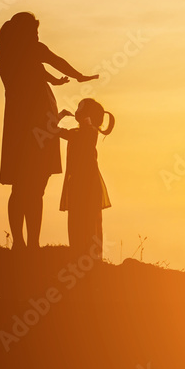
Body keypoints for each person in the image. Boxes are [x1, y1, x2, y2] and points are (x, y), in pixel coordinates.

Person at [0, 12, 98, 251]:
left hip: (19, 126)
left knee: (21, 186)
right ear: (26, 33)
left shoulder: (6, 54)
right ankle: (31, 243)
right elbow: (55, 60)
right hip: (40, 122)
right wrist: (78, 76)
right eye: (35, 31)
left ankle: (22, 243)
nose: (37, 36)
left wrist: (55, 81)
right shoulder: (32, 50)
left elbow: (35, 71)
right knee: (36, 185)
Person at [57, 98, 113, 259]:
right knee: (78, 219)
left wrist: (59, 117)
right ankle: (81, 256)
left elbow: (59, 131)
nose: (76, 111)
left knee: (87, 220)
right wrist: (60, 116)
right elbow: (60, 131)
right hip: (78, 183)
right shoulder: (80, 132)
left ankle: (89, 259)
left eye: (80, 108)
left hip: (87, 184)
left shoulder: (89, 132)